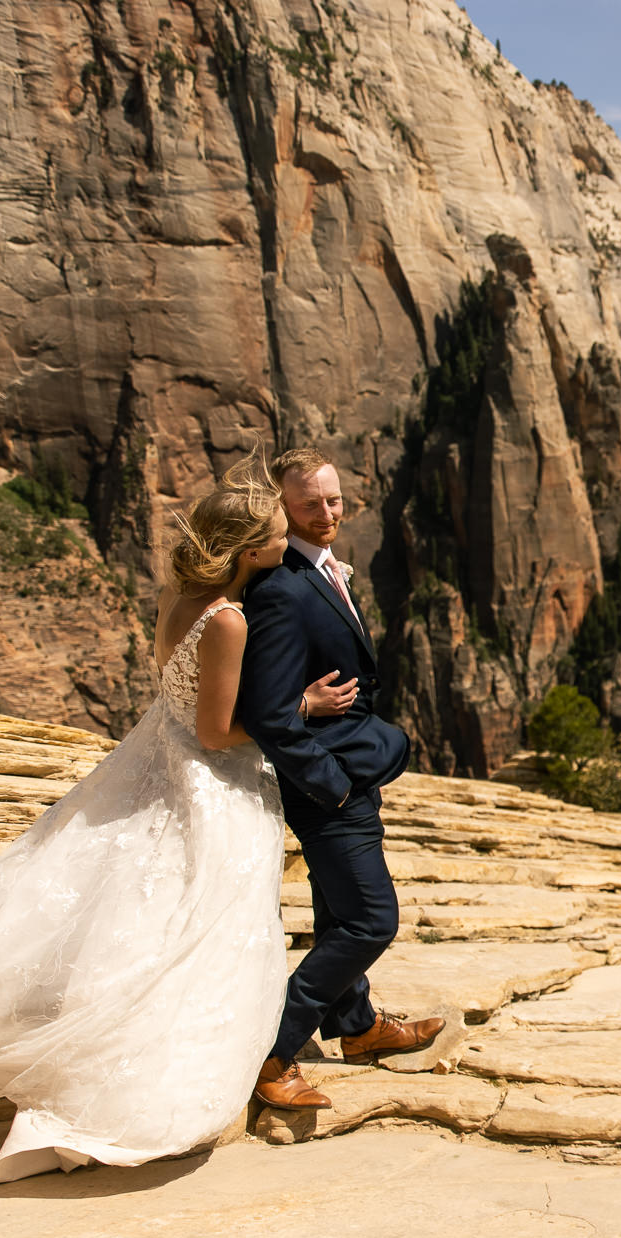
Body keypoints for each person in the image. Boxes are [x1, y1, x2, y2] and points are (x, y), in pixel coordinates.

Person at [0, 455, 353, 1182]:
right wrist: (298, 708)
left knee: (140, 897)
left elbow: (178, 703)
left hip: (155, 753)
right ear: (251, 551)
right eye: (278, 532)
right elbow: (217, 731)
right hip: (210, 777)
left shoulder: (179, 594)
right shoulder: (231, 621)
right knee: (198, 915)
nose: (288, 539)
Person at [238, 448, 439, 1110]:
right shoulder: (280, 588)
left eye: (334, 500)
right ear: (283, 508)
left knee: (336, 910)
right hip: (327, 784)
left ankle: (356, 1027)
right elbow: (268, 711)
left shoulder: (321, 569)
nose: (326, 513)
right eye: (308, 505)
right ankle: (271, 1050)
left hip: (350, 766)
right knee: (371, 918)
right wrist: (332, 782)